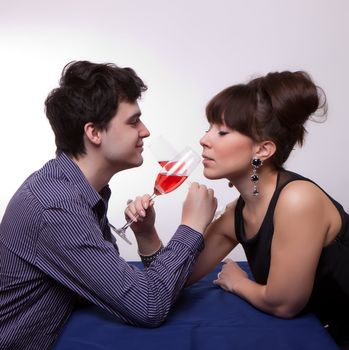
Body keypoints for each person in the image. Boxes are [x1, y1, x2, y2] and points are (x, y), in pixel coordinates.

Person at [0, 60, 217, 350]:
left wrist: (145, 235)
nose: (146, 131)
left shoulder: (83, 190)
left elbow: (120, 288)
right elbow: (149, 306)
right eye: (133, 121)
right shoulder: (56, 205)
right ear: (94, 133)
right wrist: (192, 227)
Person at [129, 70, 349, 348]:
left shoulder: (298, 200)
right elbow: (172, 281)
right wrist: (147, 233)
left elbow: (284, 305)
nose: (204, 140)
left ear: (263, 150)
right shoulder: (238, 213)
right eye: (208, 128)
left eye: (221, 132)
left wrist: (237, 282)